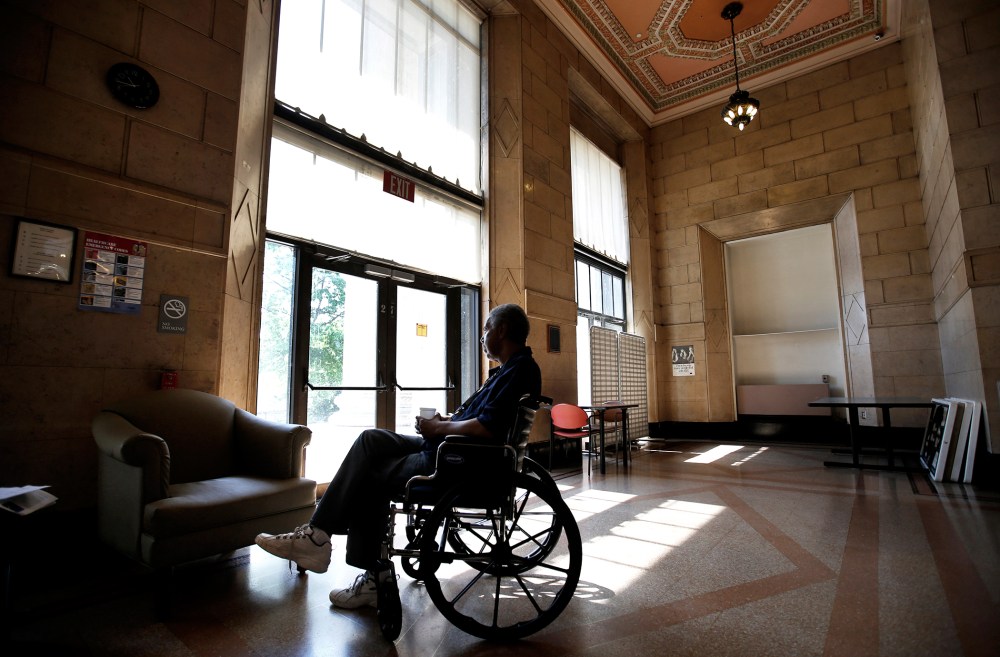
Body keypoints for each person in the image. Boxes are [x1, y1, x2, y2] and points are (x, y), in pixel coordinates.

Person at [255, 303, 542, 609]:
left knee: (370, 477)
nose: (483, 337)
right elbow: (484, 420)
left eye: (485, 329)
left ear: (501, 330)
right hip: (450, 448)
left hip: (457, 461)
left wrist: (440, 427)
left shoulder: (520, 369)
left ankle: (359, 568)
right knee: (371, 440)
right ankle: (317, 534)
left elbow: (488, 427)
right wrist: (441, 424)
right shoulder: (508, 371)